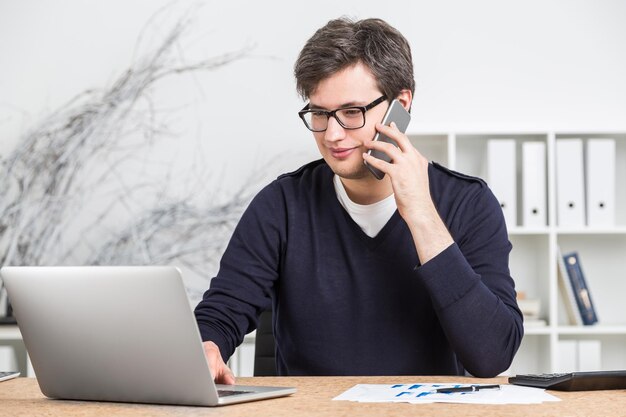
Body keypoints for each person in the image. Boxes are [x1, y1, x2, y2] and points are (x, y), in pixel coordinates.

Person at [194, 17, 523, 384]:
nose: (332, 134)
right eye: (319, 113)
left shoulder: (468, 203)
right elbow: (223, 311)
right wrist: (208, 346)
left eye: (352, 112)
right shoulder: (281, 206)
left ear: (400, 104)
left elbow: (492, 355)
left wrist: (420, 214)